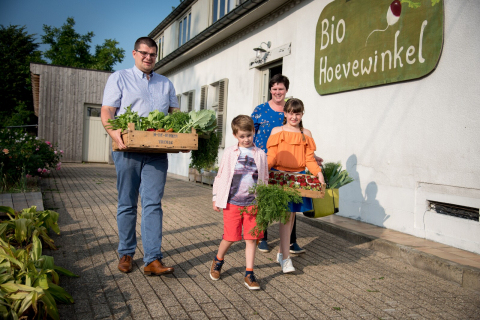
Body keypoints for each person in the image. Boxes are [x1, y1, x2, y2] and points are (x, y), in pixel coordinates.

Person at [101, 37, 179, 275]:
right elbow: (107, 110)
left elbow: (175, 115)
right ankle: (126, 252)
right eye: (144, 53)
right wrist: (115, 134)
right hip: (128, 151)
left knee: (153, 203)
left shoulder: (165, 83)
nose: (148, 58)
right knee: (127, 203)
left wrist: (183, 138)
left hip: (156, 154)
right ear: (134, 53)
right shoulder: (119, 77)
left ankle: (152, 259)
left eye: (153, 54)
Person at [251, 74, 322, 254]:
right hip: (269, 161)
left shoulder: (292, 109)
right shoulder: (261, 110)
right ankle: (263, 238)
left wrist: (315, 164)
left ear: (286, 91)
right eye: (274, 88)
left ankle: (290, 243)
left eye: (281, 89)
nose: (277, 92)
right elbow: (250, 134)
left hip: (293, 169)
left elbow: (303, 149)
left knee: (291, 208)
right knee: (267, 203)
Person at [266, 98, 325, 273]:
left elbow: (309, 159)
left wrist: (319, 174)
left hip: (298, 178)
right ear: (285, 113)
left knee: (291, 217)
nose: (294, 116)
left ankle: (280, 253)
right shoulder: (277, 130)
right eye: (290, 113)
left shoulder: (306, 133)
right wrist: (262, 170)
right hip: (279, 177)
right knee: (286, 217)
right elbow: (272, 156)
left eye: (297, 113)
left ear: (302, 114)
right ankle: (286, 258)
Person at [210, 115, 268, 290]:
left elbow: (264, 178)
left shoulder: (260, 154)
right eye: (242, 136)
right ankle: (218, 260)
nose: (246, 139)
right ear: (235, 135)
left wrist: (263, 200)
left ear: (253, 132)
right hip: (232, 202)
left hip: (253, 203)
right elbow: (221, 176)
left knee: (251, 238)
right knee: (230, 237)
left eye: (249, 135)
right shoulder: (229, 152)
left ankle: (249, 273)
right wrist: (215, 198)